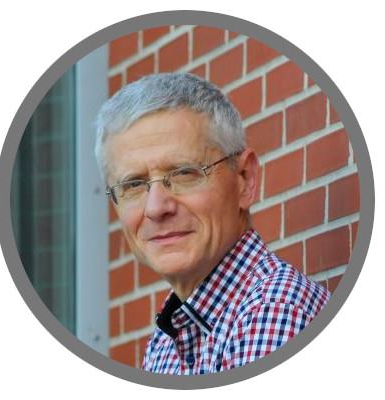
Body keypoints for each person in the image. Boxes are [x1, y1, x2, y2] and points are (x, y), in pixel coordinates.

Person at [95, 72, 330, 374]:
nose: (156, 208)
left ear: (244, 179)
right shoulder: (165, 343)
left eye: (184, 173)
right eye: (133, 185)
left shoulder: (272, 311)